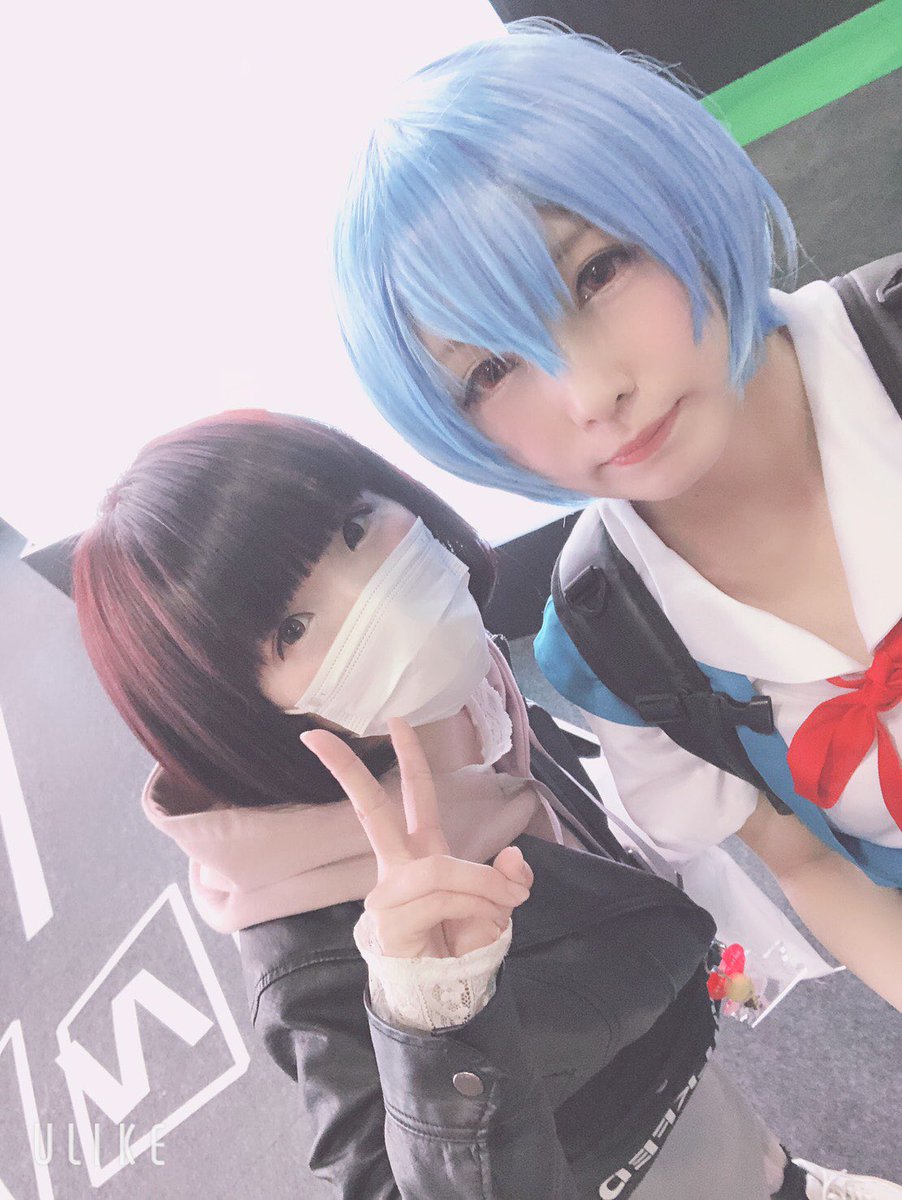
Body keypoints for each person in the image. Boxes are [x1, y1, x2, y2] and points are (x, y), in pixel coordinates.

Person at [70, 410, 884, 1198]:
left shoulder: (454, 693)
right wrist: (433, 1019)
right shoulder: (313, 952)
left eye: (354, 528)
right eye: (292, 629)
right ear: (234, 710)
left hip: (675, 1062)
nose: (373, 597)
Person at [330, 20, 902, 1011]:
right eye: (490, 370)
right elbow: (809, 864)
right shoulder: (613, 638)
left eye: (595, 272)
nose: (590, 395)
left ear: (674, 197)